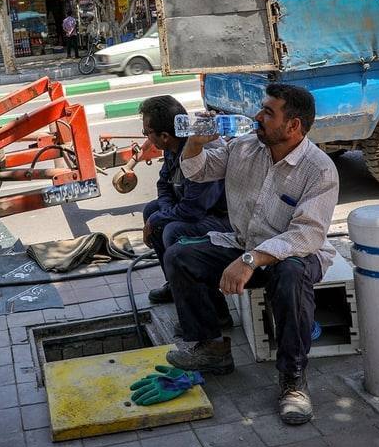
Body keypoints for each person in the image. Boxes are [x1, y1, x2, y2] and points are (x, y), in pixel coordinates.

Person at [164, 84, 339, 426]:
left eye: (268, 113)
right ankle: (212, 348)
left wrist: (250, 260)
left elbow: (306, 234)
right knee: (179, 257)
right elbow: (197, 171)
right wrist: (197, 141)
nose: (257, 117)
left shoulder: (318, 169)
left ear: (294, 126)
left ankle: (293, 380)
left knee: (291, 275)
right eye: (262, 109)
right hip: (245, 245)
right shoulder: (244, 147)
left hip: (296, 254)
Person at [139, 96, 231, 319]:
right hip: (198, 209)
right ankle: (177, 285)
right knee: (152, 211)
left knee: (172, 230)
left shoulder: (201, 149)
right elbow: (164, 184)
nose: (146, 138)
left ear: (164, 135)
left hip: (224, 218)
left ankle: (214, 312)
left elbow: (192, 210)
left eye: (146, 133)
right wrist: (159, 215)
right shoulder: (172, 145)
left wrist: (159, 219)